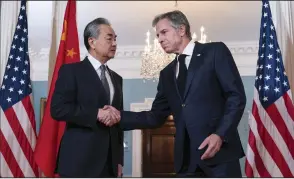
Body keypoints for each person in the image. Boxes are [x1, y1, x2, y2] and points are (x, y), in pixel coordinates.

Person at [100, 10, 246, 177]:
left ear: (182, 30)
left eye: (164, 32)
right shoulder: (166, 74)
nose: (160, 39)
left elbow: (236, 96)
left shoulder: (214, 51)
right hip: (186, 162)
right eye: (157, 36)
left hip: (219, 156)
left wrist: (220, 134)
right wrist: (119, 116)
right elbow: (155, 116)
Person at [51, 17, 123, 177]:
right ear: (92, 42)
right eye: (109, 38)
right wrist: (96, 113)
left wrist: (118, 160)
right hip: (78, 161)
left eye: (115, 39)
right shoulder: (71, 71)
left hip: (109, 165)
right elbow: (58, 109)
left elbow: (118, 122)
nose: (114, 44)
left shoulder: (117, 79)